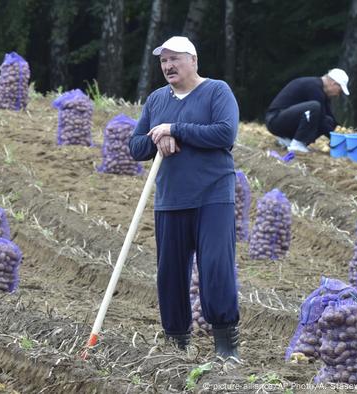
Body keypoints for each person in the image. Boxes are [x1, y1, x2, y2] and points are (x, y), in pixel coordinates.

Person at [128, 36, 240, 359]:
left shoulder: (217, 91)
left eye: (174, 59)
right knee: (170, 273)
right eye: (163, 61)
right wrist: (158, 136)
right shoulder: (156, 100)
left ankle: (226, 346)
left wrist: (175, 129)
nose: (168, 66)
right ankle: (176, 344)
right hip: (171, 199)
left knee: (216, 266)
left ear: (193, 60)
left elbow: (224, 133)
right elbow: (136, 147)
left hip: (213, 196)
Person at [265, 68, 349, 153]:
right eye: (340, 90)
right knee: (314, 107)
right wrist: (337, 139)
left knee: (328, 120)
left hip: (285, 120)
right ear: (333, 84)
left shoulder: (321, 91)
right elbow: (321, 120)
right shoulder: (314, 87)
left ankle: (287, 140)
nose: (338, 94)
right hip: (275, 120)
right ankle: (297, 144)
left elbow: (329, 118)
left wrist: (342, 133)